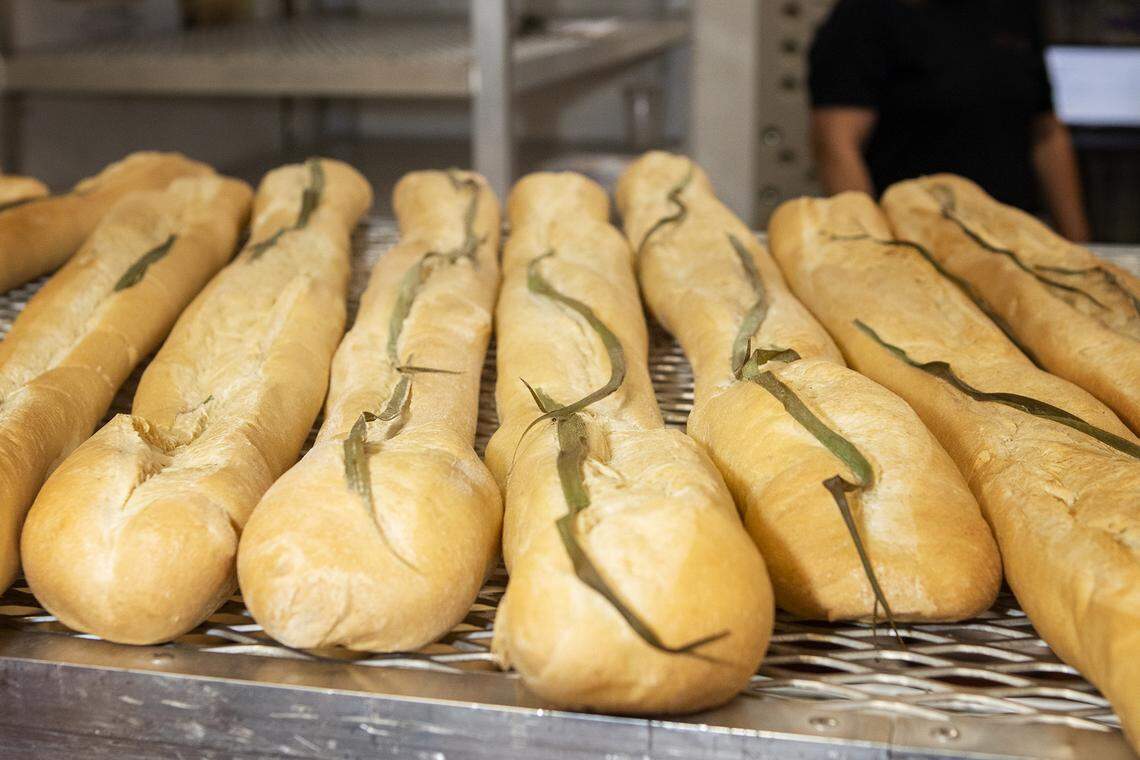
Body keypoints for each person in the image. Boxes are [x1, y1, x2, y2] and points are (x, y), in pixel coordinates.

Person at [808, 0, 1091, 241]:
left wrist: (1078, 244)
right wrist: (873, 247)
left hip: (1012, 236)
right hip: (915, 239)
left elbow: (1047, 133)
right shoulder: (866, 13)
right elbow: (836, 145)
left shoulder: (1014, 8)